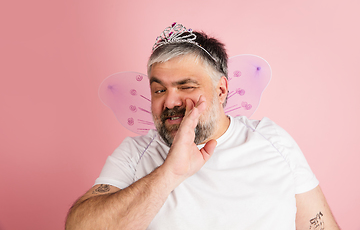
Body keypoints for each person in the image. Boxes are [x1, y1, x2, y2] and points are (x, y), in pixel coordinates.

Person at [66, 23, 340, 230]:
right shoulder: (134, 154)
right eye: (159, 90)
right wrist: (169, 174)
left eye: (185, 86)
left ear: (221, 90)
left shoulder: (273, 142)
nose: (170, 101)